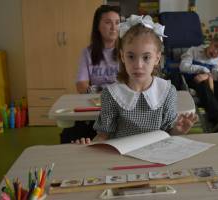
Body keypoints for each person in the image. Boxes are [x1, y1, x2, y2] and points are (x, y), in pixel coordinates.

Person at [88, 14, 198, 143]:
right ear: (122, 56)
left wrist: (178, 131)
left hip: (157, 156)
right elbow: (103, 136)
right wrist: (86, 147)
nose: (138, 65)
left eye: (146, 57)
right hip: (121, 158)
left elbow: (169, 134)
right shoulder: (111, 94)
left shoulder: (167, 91)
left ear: (157, 58)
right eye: (131, 56)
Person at [60, 5, 120, 143]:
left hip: (120, 107)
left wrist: (99, 89)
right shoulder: (88, 52)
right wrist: (104, 92)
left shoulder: (127, 51)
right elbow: (81, 85)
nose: (114, 27)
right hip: (96, 107)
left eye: (117, 22)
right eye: (108, 22)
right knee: (69, 136)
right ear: (97, 26)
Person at [179, 37, 218, 126]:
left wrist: (206, 75)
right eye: (216, 46)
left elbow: (214, 77)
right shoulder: (194, 51)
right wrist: (203, 69)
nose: (215, 52)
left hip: (208, 80)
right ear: (212, 41)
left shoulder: (217, 61)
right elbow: (183, 67)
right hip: (192, 80)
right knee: (203, 86)